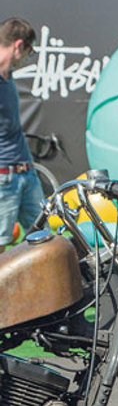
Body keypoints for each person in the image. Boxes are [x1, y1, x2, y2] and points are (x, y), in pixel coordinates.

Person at [0, 17, 38, 250]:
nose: (26, 57)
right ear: (18, 45)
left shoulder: (8, 75)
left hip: (27, 172)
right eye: (28, 51)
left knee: (43, 237)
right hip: (3, 177)